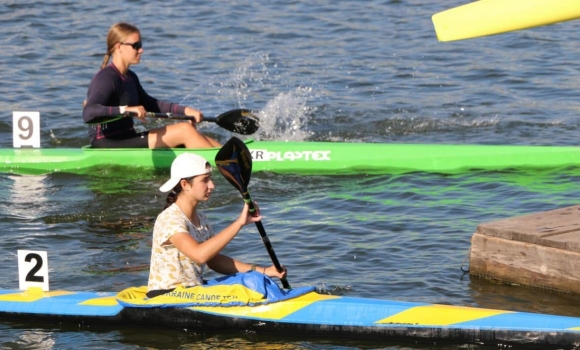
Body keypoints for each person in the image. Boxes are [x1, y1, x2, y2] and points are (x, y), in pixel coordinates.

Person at [147, 152, 287, 298]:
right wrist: (239, 223)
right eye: (205, 180)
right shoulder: (169, 218)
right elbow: (199, 255)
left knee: (253, 279)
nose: (212, 185)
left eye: (210, 179)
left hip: (193, 292)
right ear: (185, 184)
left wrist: (264, 271)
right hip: (165, 295)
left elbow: (215, 261)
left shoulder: (201, 219)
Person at [83, 22, 220, 149]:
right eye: (136, 45)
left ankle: (230, 156)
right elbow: (89, 112)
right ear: (119, 47)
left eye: (141, 44)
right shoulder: (106, 77)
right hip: (107, 143)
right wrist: (126, 110)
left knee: (192, 131)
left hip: (126, 137)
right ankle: (227, 166)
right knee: (185, 130)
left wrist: (186, 111)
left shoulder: (131, 77)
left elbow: (152, 104)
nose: (141, 50)